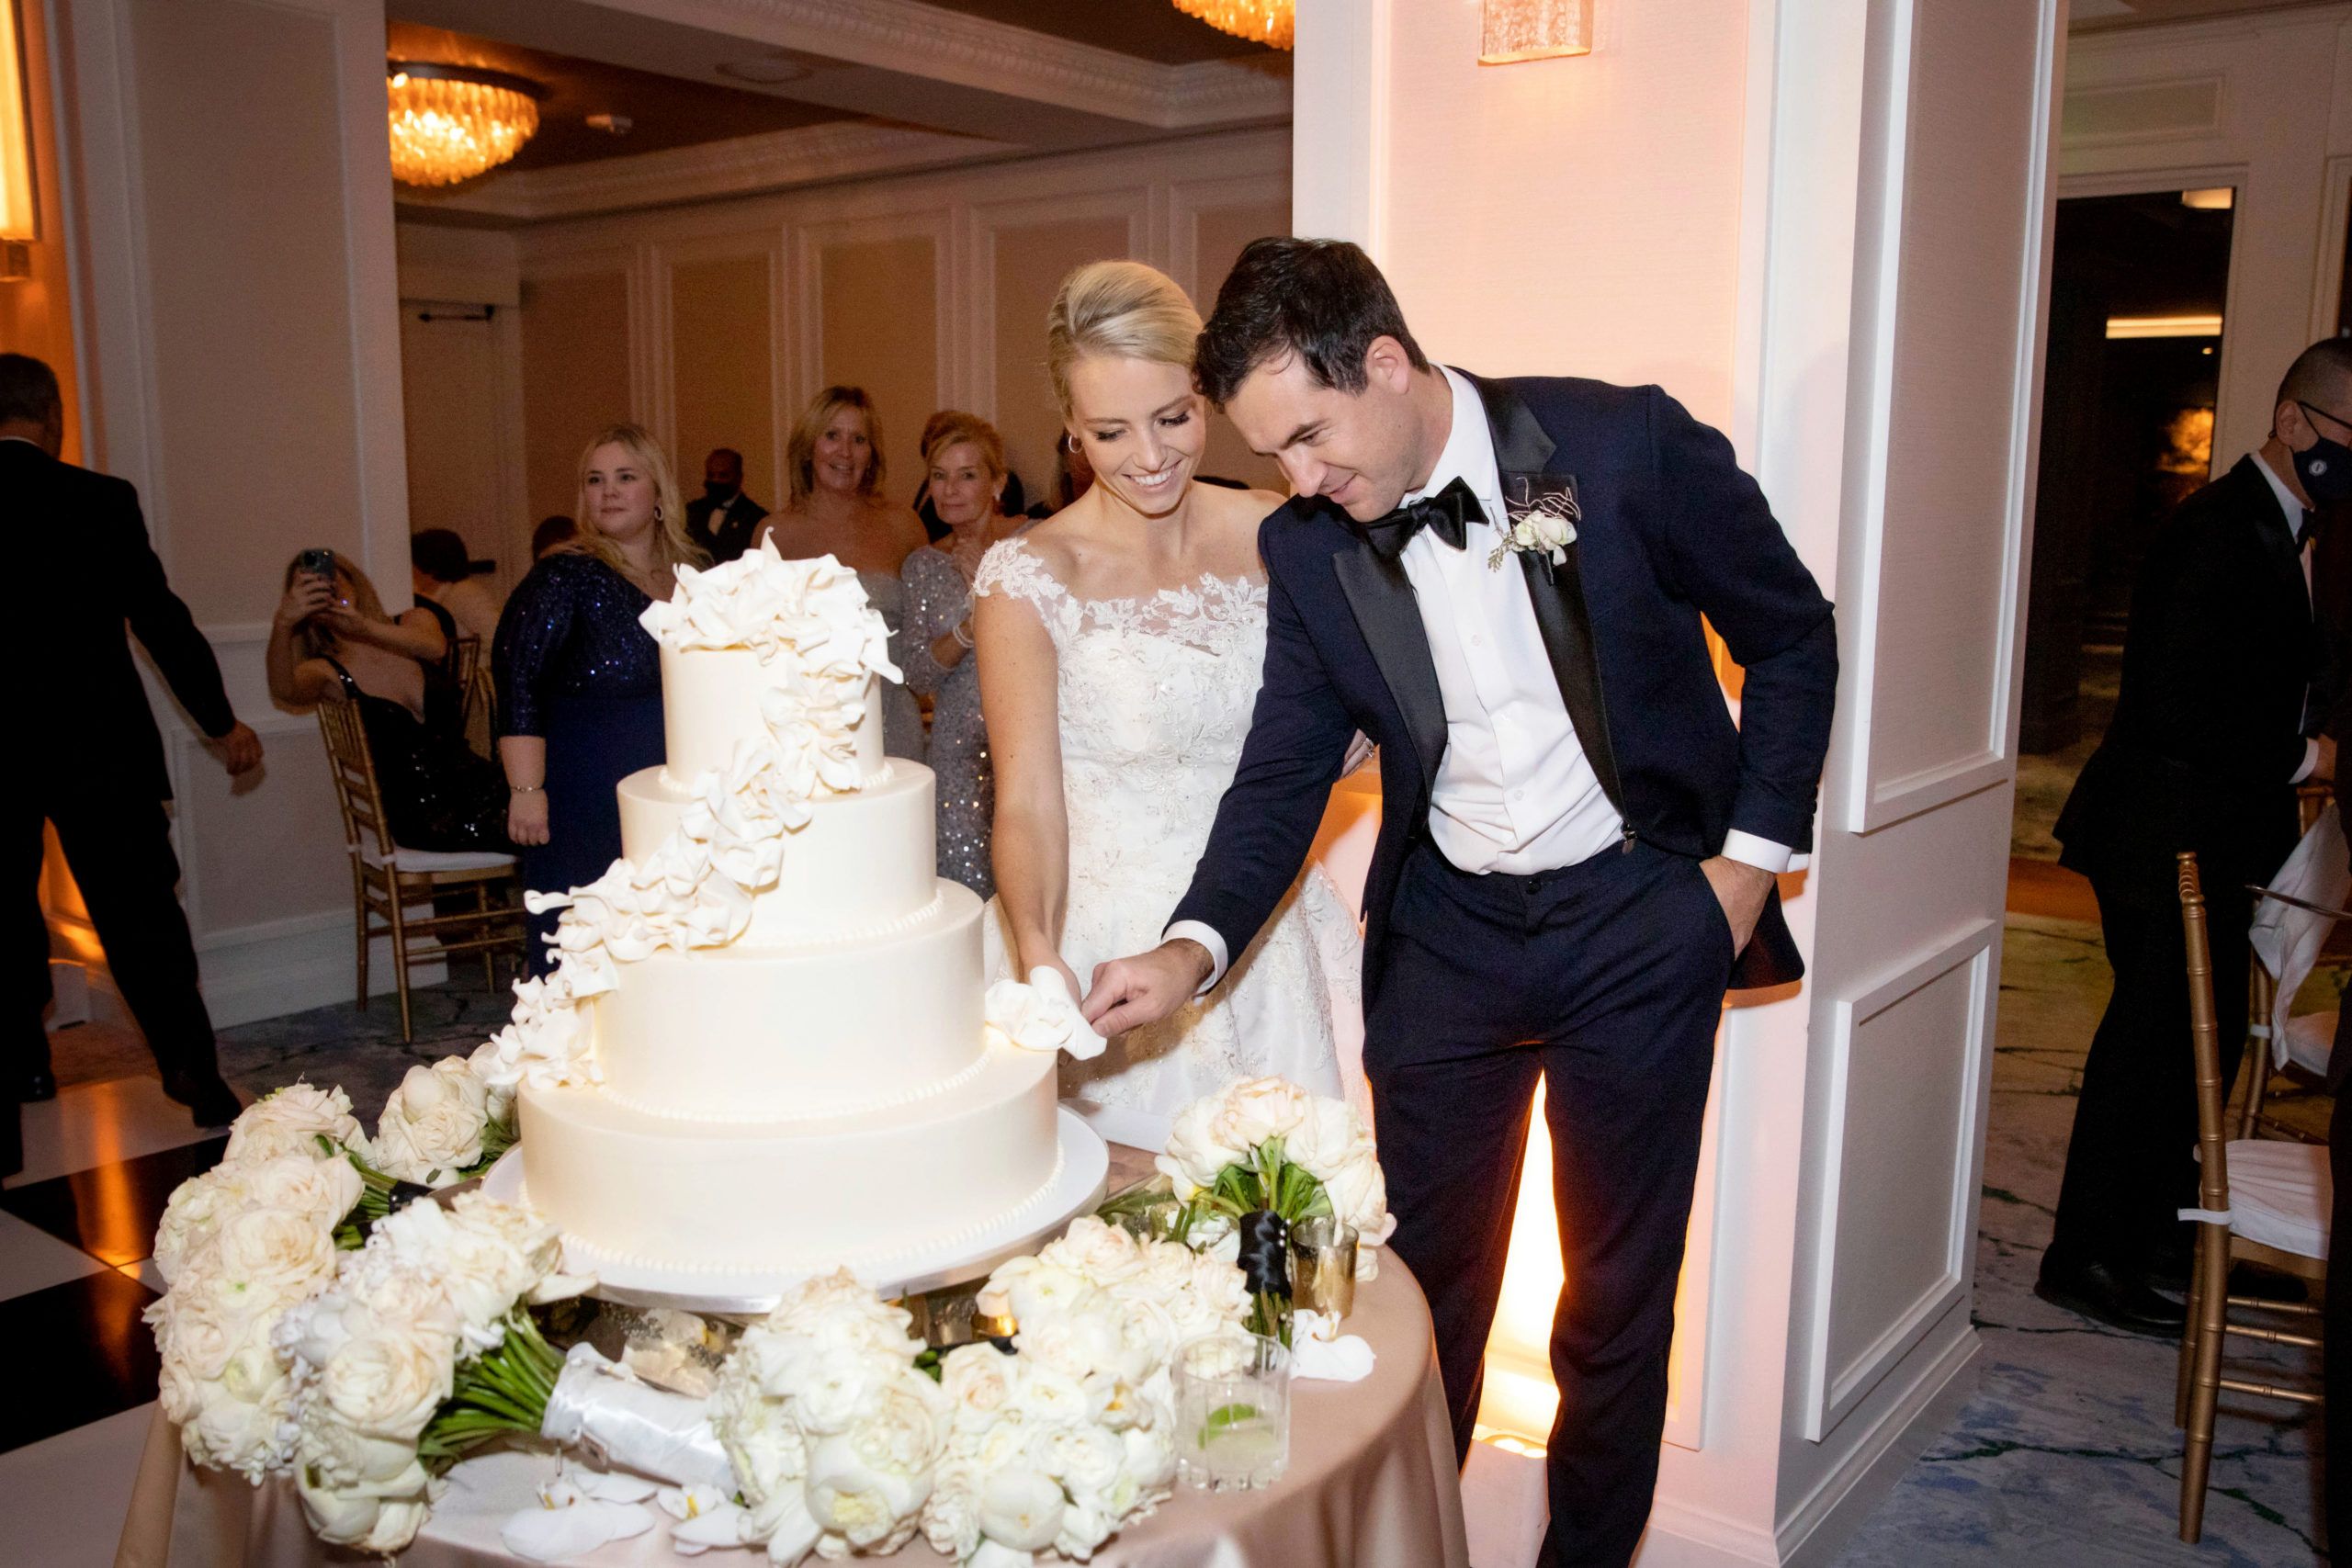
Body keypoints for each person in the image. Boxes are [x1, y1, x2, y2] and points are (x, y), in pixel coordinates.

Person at [1080, 239, 1838, 1567]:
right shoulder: (1313, 547)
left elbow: (1792, 632)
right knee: (1422, 1291)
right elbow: (1283, 766)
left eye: (1312, 438)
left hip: (1637, 923)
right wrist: (1190, 946)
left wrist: (1739, 871)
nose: (1301, 484)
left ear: (1385, 361)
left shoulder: (1619, 448)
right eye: (1275, 459)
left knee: (1614, 1301)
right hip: (1449, 947)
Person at [975, 259, 1362, 1149]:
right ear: (1070, 429)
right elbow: (1028, 803)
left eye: (1173, 419)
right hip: (1103, 944)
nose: (1148, 459)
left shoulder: (1280, 531)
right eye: (1110, 432)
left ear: (1207, 394)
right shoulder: (1028, 580)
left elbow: (1366, 698)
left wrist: (1359, 737)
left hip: (1262, 929)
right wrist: (1037, 949)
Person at [2036, 340, 2348, 1336]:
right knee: (2146, 1052)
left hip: (2209, 837)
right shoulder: (2214, 530)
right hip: (2159, 836)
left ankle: (2165, 1234)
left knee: (2179, 1054)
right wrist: (2306, 758)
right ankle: (2084, 1258)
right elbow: (2176, 708)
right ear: (2293, 421)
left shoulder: (2289, 526)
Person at [10, 352, 263, 1163]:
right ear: (51, 417)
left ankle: (22, 1074)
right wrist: (223, 722)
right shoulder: (99, 500)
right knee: (142, 918)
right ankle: (196, 1076)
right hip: (100, 745)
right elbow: (162, 621)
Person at [495, 424, 704, 969]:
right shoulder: (565, 575)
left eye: (625, 477)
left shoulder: (692, 574)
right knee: (586, 940)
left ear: (658, 492)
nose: (608, 491)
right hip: (588, 789)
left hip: (675, 789)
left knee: (668, 937)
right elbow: (518, 680)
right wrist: (526, 789)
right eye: (595, 479)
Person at [268, 554, 508, 852]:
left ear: (353, 581)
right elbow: (284, 689)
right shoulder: (325, 670)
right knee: (543, 826)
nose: (325, 589)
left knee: (558, 800)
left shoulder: (413, 621)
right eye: (309, 587)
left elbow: (434, 646)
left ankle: (555, 895)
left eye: (330, 579)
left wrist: (364, 627)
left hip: (480, 784)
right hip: (424, 813)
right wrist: (283, 623)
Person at [754, 388, 929, 761]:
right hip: (803, 735)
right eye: (831, 435)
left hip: (893, 724)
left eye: (859, 439)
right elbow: (758, 652)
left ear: (873, 453)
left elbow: (927, 635)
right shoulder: (774, 534)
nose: (845, 452)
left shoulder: (903, 526)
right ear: (808, 446)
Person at [903, 412, 1024, 897]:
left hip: (1025, 741)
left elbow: (1059, 645)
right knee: (965, 897)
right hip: (955, 755)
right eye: (939, 476)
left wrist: (992, 591)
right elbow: (916, 673)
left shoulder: (1033, 544)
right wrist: (972, 623)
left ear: (997, 483)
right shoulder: (924, 565)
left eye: (967, 475)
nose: (950, 490)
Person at [410, 527, 503, 646]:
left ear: (430, 568)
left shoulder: (465, 594)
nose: (411, 570)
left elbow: (496, 638)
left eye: (414, 563)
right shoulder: (435, 595)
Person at [684, 446, 764, 564]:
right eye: (711, 475)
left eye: (723, 475)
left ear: (739, 477)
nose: (716, 481)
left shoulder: (756, 518)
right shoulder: (692, 512)